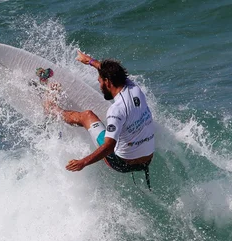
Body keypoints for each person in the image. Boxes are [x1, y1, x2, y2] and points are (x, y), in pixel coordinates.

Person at [46, 50, 155, 188]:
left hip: (120, 163)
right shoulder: (134, 88)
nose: (100, 86)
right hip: (147, 160)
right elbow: (110, 72)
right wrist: (90, 61)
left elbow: (109, 147)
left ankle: (51, 109)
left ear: (107, 82)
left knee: (87, 116)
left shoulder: (116, 110)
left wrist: (83, 162)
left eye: (100, 82)